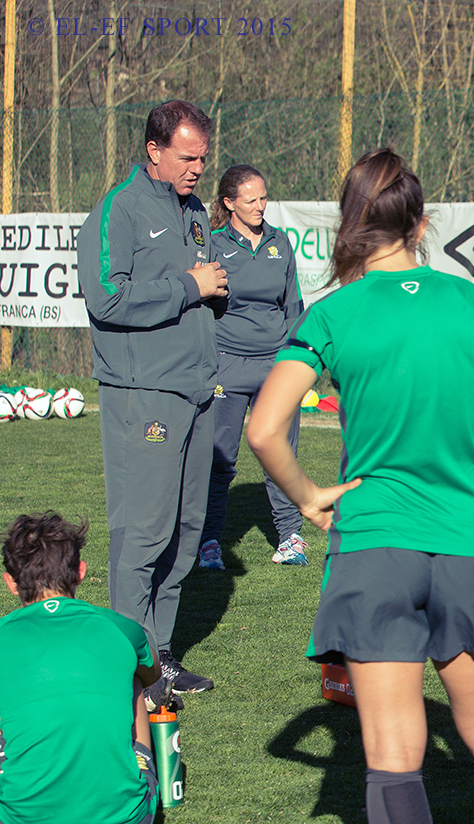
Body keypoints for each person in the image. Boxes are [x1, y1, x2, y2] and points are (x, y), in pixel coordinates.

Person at [246, 148, 474, 824]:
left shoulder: (334, 314)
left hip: (374, 547)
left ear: (354, 223)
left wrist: (309, 494)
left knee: (390, 749)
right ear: (421, 223)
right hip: (471, 547)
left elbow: (262, 429)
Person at [77, 99, 228, 697]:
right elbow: (106, 297)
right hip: (144, 395)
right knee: (143, 534)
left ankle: (160, 655)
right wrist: (189, 286)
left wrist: (213, 294)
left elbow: (193, 291)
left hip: (197, 389)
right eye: (187, 157)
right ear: (154, 150)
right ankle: (130, 666)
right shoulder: (119, 209)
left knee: (186, 534)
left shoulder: (196, 212)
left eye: (203, 158)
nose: (198, 168)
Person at [0, 513, 162, 824]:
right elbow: (152, 676)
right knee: (132, 677)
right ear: (81, 572)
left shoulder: (0, 635)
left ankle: (7, 767)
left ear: (10, 582)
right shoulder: (122, 627)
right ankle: (140, 763)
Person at [198, 164, 307, 571]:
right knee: (220, 461)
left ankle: (290, 538)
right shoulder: (213, 244)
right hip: (227, 366)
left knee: (281, 455)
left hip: (277, 368)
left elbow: (292, 306)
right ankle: (210, 542)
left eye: (264, 198)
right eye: (250, 200)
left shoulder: (280, 242)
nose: (260, 206)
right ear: (229, 203)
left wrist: (296, 361)